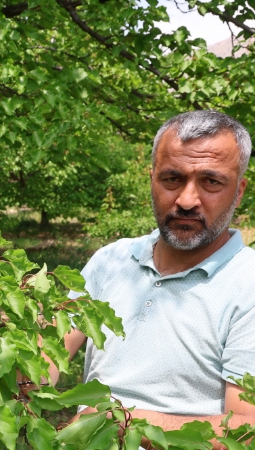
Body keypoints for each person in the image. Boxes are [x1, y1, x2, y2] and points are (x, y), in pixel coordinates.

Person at [53, 110, 255, 441]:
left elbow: (246, 427)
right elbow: (48, 350)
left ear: (239, 191)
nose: (187, 200)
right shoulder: (111, 260)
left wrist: (120, 422)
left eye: (211, 182)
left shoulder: (249, 285)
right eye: (172, 179)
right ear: (152, 179)